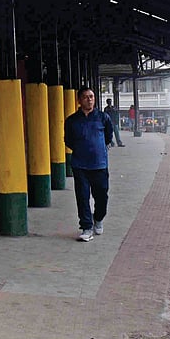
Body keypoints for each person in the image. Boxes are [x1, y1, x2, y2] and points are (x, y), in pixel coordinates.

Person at [63, 86, 114, 242]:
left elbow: (108, 137)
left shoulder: (103, 118)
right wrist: (81, 149)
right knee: (82, 196)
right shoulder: (72, 120)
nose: (89, 99)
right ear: (79, 100)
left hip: (99, 164)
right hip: (80, 165)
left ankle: (98, 218)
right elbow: (68, 140)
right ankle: (86, 227)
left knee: (101, 195)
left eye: (91, 96)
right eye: (85, 97)